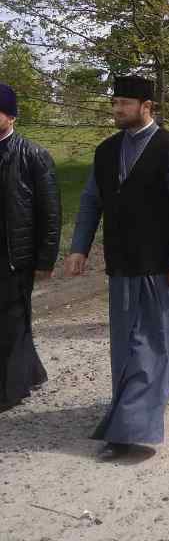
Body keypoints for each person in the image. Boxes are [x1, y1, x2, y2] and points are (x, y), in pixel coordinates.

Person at [65, 76, 169, 458]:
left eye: (125, 103)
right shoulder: (106, 151)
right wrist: (79, 248)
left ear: (146, 106)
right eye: (115, 102)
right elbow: (92, 202)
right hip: (121, 263)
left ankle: (128, 431)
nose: (117, 109)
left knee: (149, 344)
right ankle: (164, 376)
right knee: (127, 347)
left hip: (159, 266)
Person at [0, 84, 61, 412]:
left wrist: (46, 258)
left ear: (10, 115)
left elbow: (51, 212)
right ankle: (32, 372)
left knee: (12, 319)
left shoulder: (33, 155)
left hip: (17, 256)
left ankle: (11, 389)